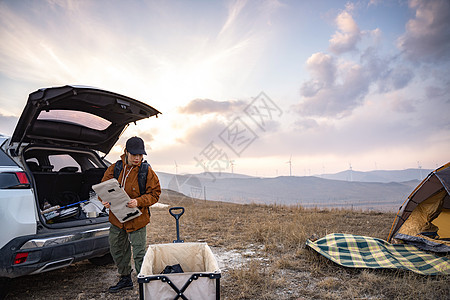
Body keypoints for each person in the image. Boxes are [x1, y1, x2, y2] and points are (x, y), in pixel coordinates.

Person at [100, 136, 161, 293]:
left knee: (140, 253)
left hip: (137, 219)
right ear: (126, 152)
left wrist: (139, 201)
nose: (138, 158)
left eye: (140, 155)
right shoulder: (115, 168)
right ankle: (125, 279)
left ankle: (144, 283)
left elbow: (155, 194)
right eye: (134, 154)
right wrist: (105, 200)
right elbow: (103, 188)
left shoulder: (146, 171)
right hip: (117, 218)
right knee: (117, 248)